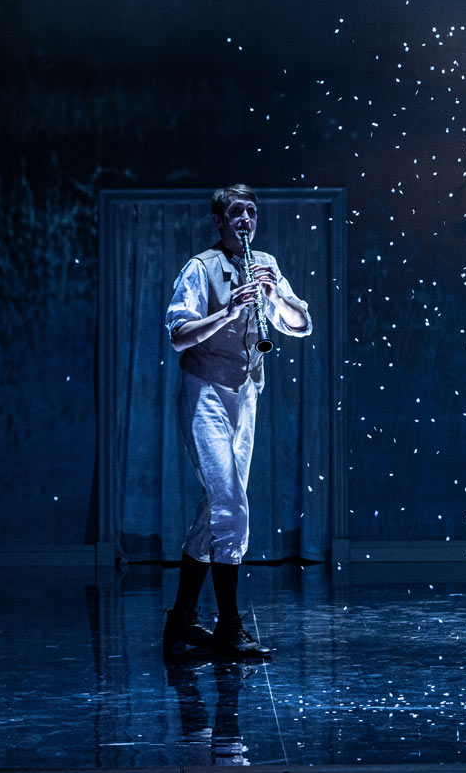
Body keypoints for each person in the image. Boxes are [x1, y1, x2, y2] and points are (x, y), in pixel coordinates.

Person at [162, 184, 312, 660]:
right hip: (204, 391)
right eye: (236, 213)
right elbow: (178, 335)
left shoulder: (264, 263)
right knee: (230, 507)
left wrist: (273, 295)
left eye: (251, 212)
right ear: (219, 220)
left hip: (246, 394)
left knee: (217, 508)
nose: (246, 220)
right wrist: (228, 313)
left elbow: (300, 324)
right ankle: (229, 625)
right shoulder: (199, 268)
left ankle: (181, 620)